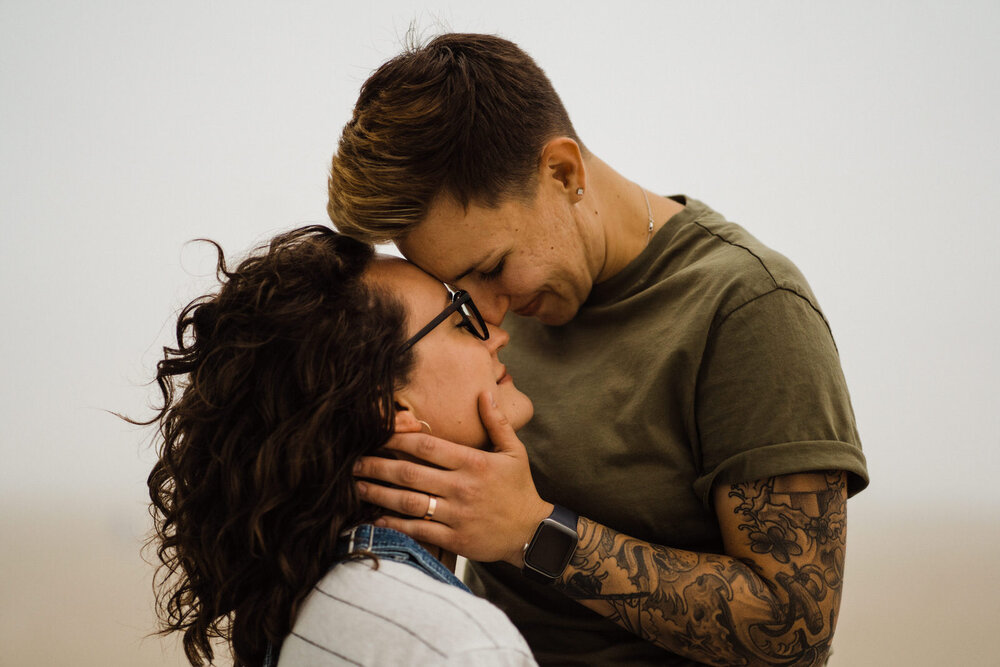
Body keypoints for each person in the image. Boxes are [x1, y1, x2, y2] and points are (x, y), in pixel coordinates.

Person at [326, 33, 870, 666]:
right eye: (458, 289)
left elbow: (795, 632)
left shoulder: (748, 308)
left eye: (495, 266)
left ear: (563, 172)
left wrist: (533, 531)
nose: (488, 316)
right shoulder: (506, 302)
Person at [136, 226, 538, 666]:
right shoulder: (457, 645)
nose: (497, 335)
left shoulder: (303, 607)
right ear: (387, 407)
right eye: (461, 321)